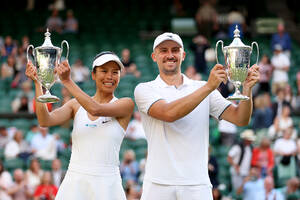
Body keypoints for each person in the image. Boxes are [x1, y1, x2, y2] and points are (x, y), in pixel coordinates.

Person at [134, 32, 259, 199]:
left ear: (183, 55)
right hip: (157, 184)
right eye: (163, 50)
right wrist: (208, 87)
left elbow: (240, 118)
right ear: (154, 56)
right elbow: (169, 113)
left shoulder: (202, 87)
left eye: (175, 50)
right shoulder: (144, 89)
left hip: (197, 184)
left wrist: (247, 90)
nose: (170, 55)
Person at [26, 51, 134, 200]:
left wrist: (67, 81)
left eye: (115, 72)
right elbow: (45, 120)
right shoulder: (75, 105)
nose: (110, 76)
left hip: (107, 184)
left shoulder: (126, 104)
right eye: (104, 71)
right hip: (75, 181)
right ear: (93, 75)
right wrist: (38, 83)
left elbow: (95, 109)